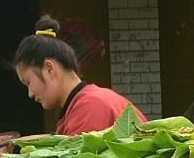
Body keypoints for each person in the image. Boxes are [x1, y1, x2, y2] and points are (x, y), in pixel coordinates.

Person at [13, 19, 142, 135]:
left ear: (49, 68)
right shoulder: (86, 104)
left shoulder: (89, 109)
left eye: (28, 82)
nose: (30, 94)